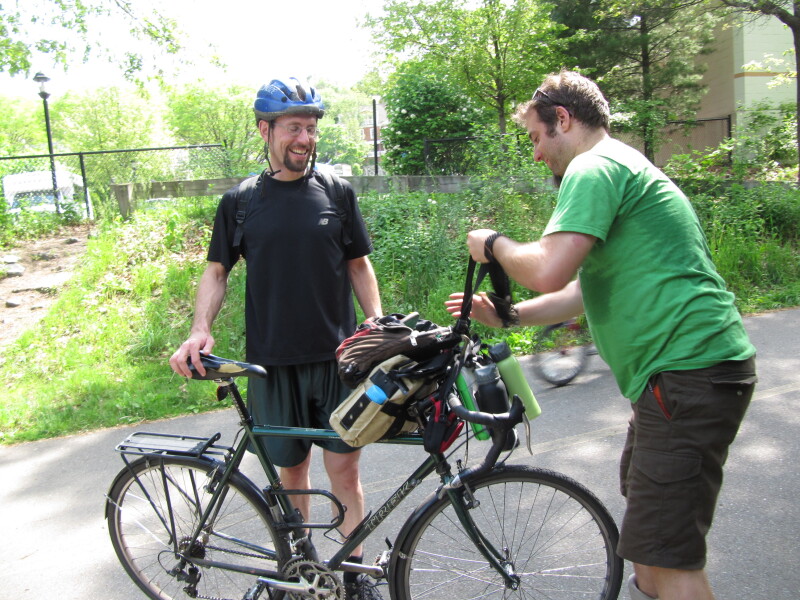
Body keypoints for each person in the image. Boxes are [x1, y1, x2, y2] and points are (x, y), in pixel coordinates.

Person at [445, 70, 756, 600]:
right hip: (680, 379)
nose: (537, 155)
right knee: (649, 551)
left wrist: (491, 242)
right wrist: (512, 317)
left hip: (687, 373)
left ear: (562, 119)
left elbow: (547, 269)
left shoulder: (594, 167)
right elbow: (582, 292)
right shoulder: (619, 166)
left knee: (669, 559)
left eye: (537, 139)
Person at [170, 77, 384, 600]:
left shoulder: (335, 190)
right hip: (273, 363)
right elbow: (216, 272)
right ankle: (302, 571)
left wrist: (375, 323)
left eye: (311, 128)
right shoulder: (241, 201)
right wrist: (201, 328)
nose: (304, 138)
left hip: (336, 359)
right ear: (265, 130)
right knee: (292, 473)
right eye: (293, 127)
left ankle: (352, 576)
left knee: (345, 471)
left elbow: (358, 264)